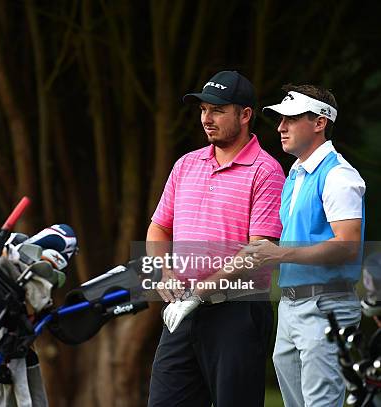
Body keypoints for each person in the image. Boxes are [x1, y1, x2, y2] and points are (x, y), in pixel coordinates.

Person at [146, 70, 285, 407]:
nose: (207, 119)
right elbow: (159, 228)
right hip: (183, 309)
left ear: (245, 115)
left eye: (218, 110)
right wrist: (164, 272)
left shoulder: (266, 171)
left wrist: (202, 289)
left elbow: (259, 251)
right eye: (203, 110)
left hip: (236, 313)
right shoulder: (186, 165)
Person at [246, 85, 366, 406]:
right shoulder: (295, 175)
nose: (281, 127)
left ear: (319, 122)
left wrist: (279, 253)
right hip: (290, 307)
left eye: (291, 118)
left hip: (326, 307)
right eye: (280, 119)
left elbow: (348, 246)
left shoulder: (339, 176)